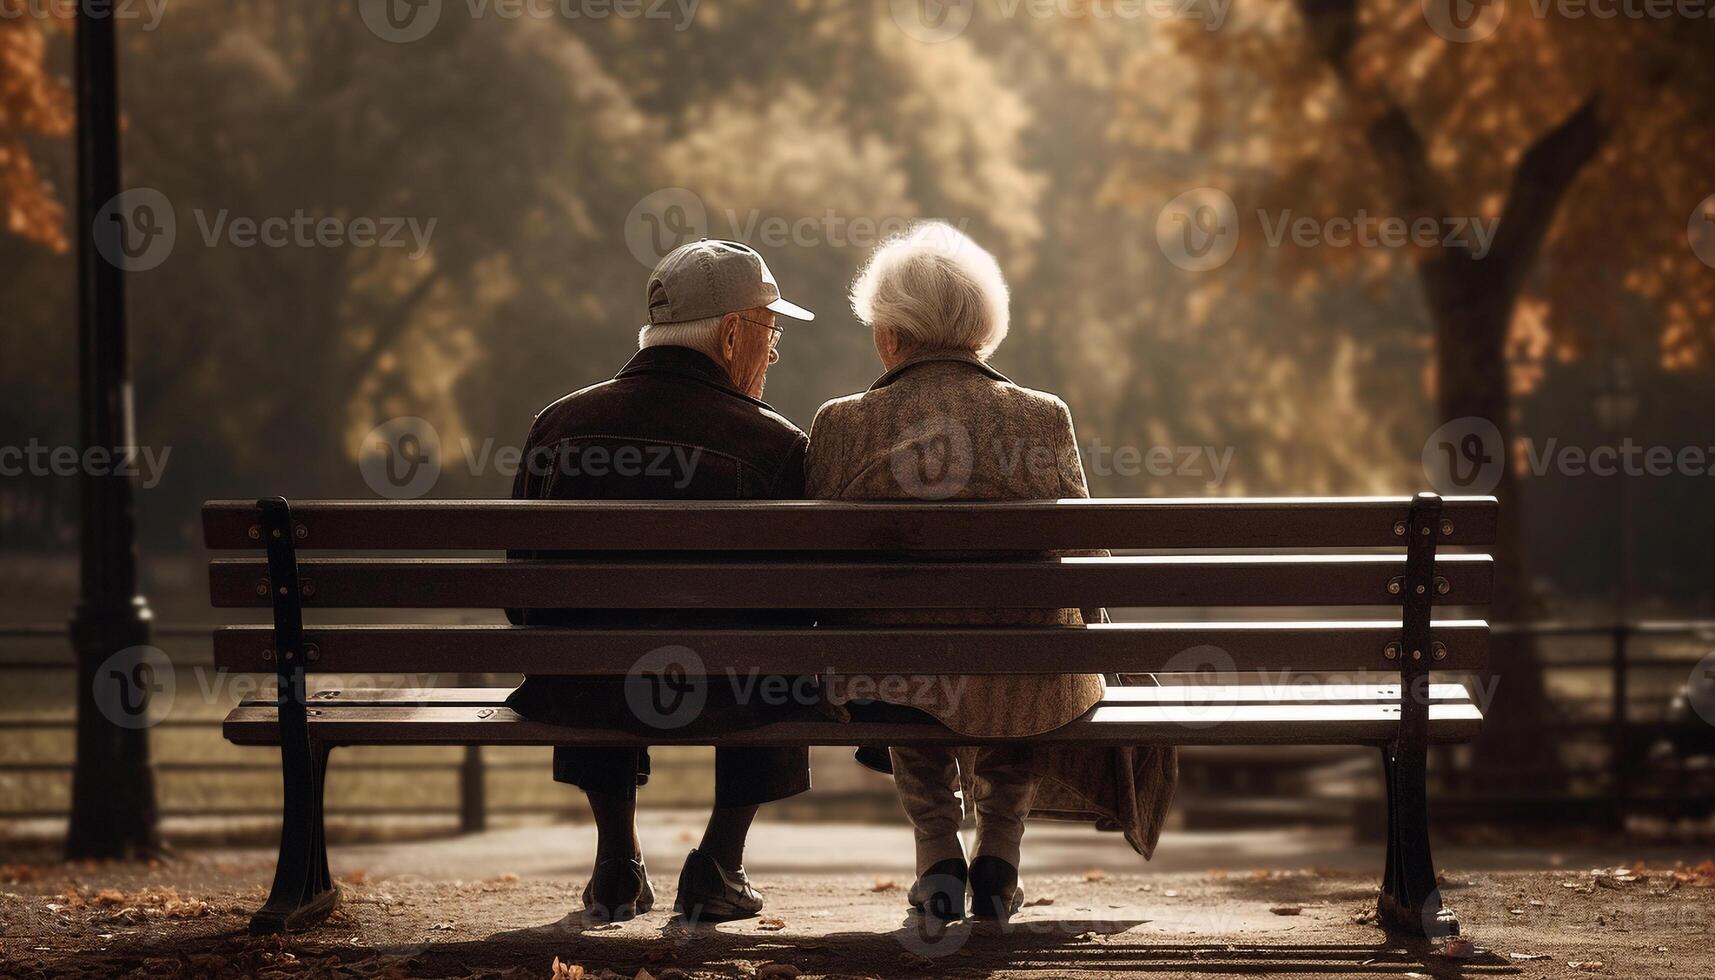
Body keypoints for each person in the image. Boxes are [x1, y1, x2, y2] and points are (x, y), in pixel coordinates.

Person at [806, 222, 1178, 921]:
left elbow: (815, 571)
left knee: (908, 662)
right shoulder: (1042, 417)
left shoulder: (841, 423)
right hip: (1024, 676)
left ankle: (937, 854)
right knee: (1019, 660)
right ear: (984, 329)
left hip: (890, 675)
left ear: (890, 336)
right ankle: (999, 859)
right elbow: (1086, 564)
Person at [505, 239, 815, 923]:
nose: (774, 350)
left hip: (580, 689)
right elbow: (806, 607)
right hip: (730, 695)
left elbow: (523, 601)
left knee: (579, 640)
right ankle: (720, 863)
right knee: (787, 654)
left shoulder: (555, 427)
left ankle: (616, 859)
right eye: (770, 330)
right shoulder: (777, 445)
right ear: (731, 333)